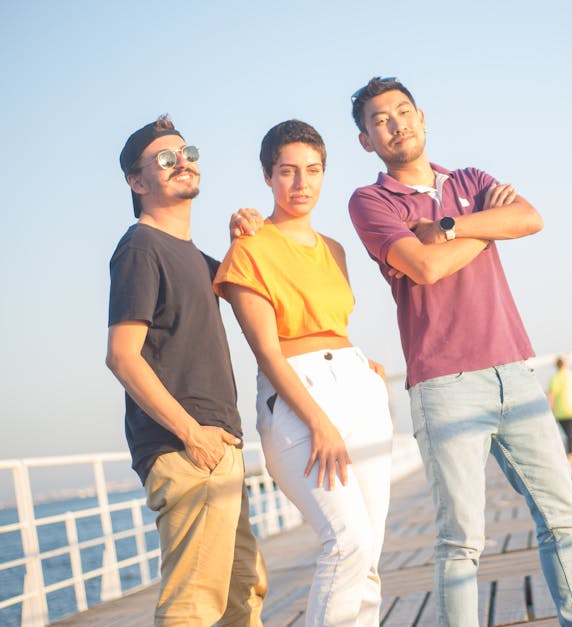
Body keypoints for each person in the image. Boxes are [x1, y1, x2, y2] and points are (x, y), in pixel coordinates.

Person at [347, 77, 572, 627]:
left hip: (514, 368)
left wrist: (447, 226)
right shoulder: (370, 201)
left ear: (422, 115)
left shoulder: (470, 179)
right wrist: (491, 228)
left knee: (564, 517)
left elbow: (529, 219)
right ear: (366, 140)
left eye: (403, 111)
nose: (396, 124)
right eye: (380, 120)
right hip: (445, 385)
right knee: (461, 539)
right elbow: (425, 267)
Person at [214, 120, 394, 627]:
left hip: (359, 389)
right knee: (348, 542)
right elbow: (267, 351)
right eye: (288, 172)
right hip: (299, 399)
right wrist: (318, 421)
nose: (301, 184)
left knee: (370, 554)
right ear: (267, 176)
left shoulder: (334, 249)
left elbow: (330, 326)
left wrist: (362, 365)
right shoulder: (248, 247)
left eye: (312, 171)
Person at [105, 115, 268, 625]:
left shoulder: (197, 258)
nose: (183, 162)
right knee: (192, 607)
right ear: (137, 182)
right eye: (166, 158)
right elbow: (122, 355)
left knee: (244, 593)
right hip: (188, 448)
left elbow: (260, 299)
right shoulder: (140, 247)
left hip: (219, 447)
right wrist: (192, 435)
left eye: (188, 152)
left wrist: (246, 240)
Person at [547, 356, 572, 468]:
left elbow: (550, 397)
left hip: (560, 412)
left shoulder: (553, 379)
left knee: (569, 434)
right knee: (571, 434)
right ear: (565, 364)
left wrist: (551, 411)